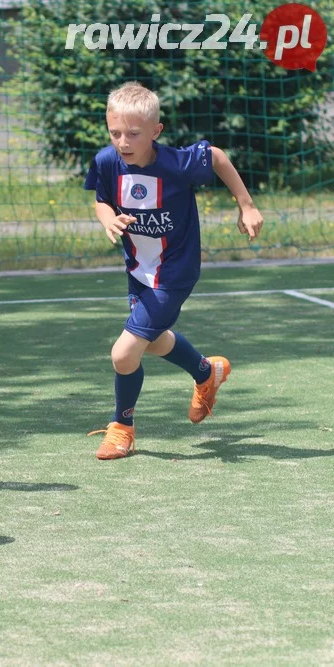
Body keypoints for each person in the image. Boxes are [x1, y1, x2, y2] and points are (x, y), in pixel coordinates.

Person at [84, 82, 264, 460]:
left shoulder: (176, 164)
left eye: (133, 134)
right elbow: (100, 199)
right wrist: (108, 219)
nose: (123, 142)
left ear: (156, 131)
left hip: (175, 272)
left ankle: (122, 428)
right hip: (138, 271)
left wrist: (245, 205)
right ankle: (205, 372)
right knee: (154, 340)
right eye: (115, 132)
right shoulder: (105, 162)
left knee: (123, 354)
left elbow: (215, 156)